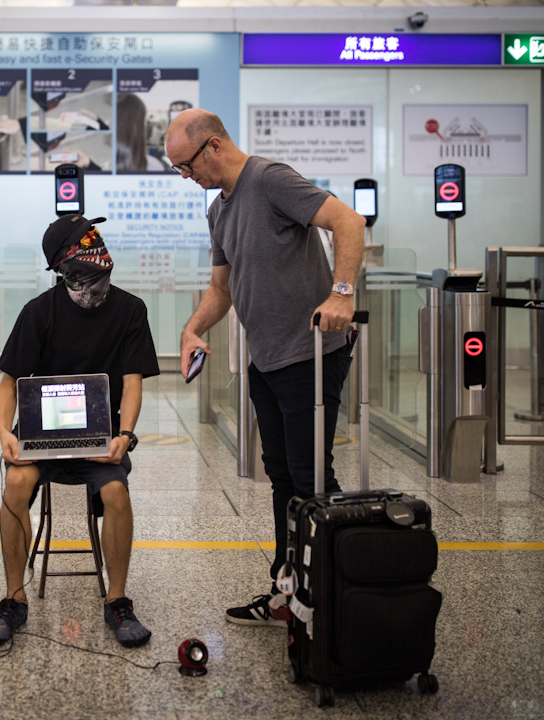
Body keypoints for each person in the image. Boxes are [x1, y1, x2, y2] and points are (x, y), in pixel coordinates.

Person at [165, 109, 365, 626]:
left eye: (186, 166)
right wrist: (194, 329)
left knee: (310, 476)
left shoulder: (270, 179)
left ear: (212, 146)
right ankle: (288, 587)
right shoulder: (219, 211)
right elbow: (221, 290)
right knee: (281, 475)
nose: (188, 179)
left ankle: (335, 595)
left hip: (311, 355)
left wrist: (342, 292)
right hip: (267, 360)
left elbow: (349, 221)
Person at [0, 213, 161, 648]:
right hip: (42, 436)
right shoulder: (39, 312)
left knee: (116, 492)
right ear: (66, 269)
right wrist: (5, 431)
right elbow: (8, 386)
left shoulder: (130, 310)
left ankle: (117, 600)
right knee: (16, 483)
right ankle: (13, 599)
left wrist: (126, 436)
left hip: (102, 437)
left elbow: (132, 383)